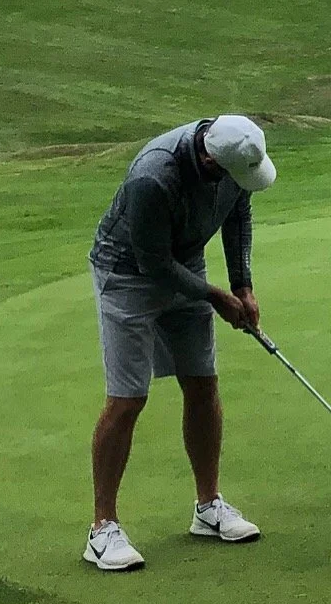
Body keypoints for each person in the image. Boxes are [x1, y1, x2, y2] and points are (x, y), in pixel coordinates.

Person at [83, 115, 277, 571]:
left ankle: (208, 507)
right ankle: (101, 529)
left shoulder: (236, 150)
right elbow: (152, 264)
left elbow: (237, 212)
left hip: (184, 262)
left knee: (203, 382)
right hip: (127, 270)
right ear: (210, 161)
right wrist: (215, 298)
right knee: (128, 398)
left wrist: (242, 286)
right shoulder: (153, 176)